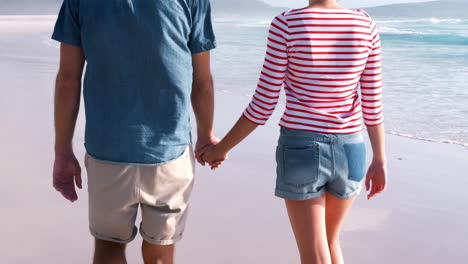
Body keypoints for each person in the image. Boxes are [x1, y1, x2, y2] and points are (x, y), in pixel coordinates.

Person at [199, 0, 387, 263]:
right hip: (352, 148)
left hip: (303, 147)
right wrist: (380, 159)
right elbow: (372, 101)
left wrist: (220, 149)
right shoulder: (365, 24)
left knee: (314, 254)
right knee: (331, 243)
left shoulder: (287, 23)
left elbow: (263, 103)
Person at [51, 0, 217, 263]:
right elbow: (203, 80)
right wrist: (206, 134)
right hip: (170, 152)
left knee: (109, 248)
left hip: (107, 150)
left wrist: (62, 151)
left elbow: (67, 80)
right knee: (160, 254)